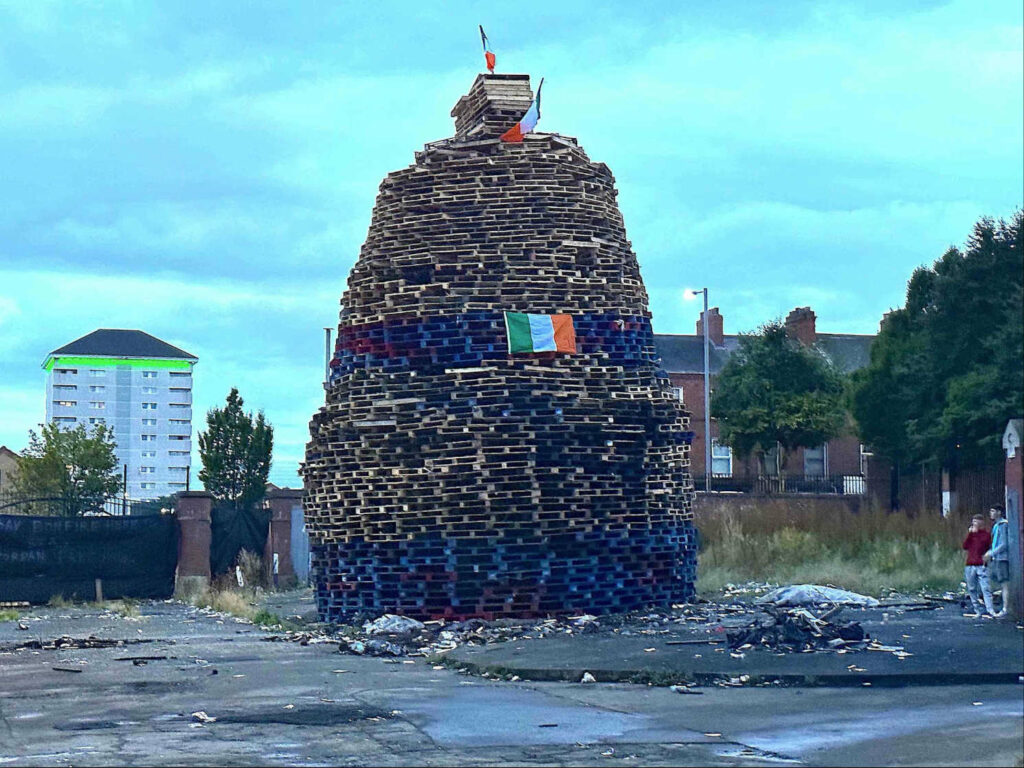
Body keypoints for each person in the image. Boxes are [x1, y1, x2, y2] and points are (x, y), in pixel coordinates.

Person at [962, 514, 996, 617]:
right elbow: (965, 546)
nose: (974, 524)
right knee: (972, 588)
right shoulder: (971, 534)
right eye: (973, 521)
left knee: (985, 587)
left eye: (977, 521)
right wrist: (971, 534)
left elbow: (986, 546)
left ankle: (990, 610)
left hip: (981, 564)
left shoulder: (985, 535)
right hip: (970, 564)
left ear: (981, 522)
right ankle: (977, 610)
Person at [985, 505, 1010, 618]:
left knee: (1004, 583)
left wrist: (992, 553)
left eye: (993, 511)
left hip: (1002, 558)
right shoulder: (996, 526)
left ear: (999, 512)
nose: (991, 513)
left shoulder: (1003, 525)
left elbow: (1004, 544)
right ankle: (993, 607)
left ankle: (1005, 608)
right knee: (992, 581)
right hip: (995, 558)